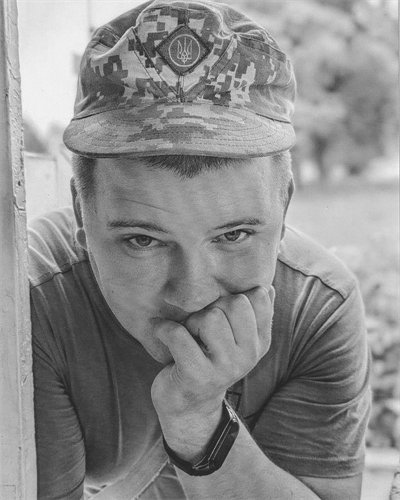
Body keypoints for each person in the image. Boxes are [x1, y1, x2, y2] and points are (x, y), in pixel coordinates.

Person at [29, 1, 371, 499]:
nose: (192, 295)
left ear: (283, 208)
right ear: (83, 217)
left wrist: (200, 423)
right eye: (143, 240)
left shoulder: (318, 310)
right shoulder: (30, 306)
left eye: (234, 235)